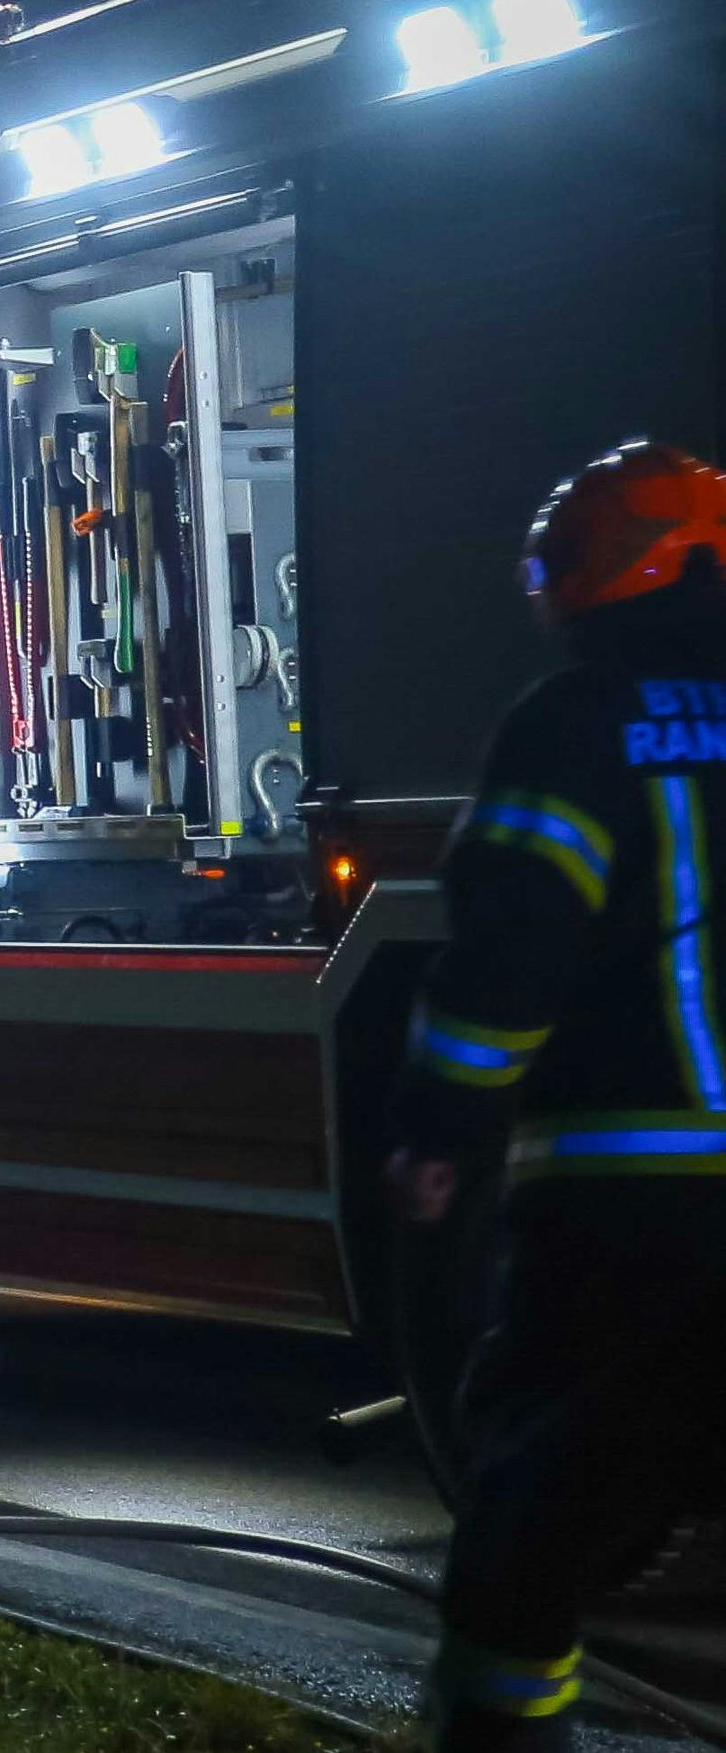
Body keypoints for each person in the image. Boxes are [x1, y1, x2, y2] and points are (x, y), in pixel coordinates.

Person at [381, 443, 726, 1750]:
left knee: (531, 1529)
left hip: (624, 1214)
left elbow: (508, 958)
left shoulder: (576, 722)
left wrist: (436, 1133)